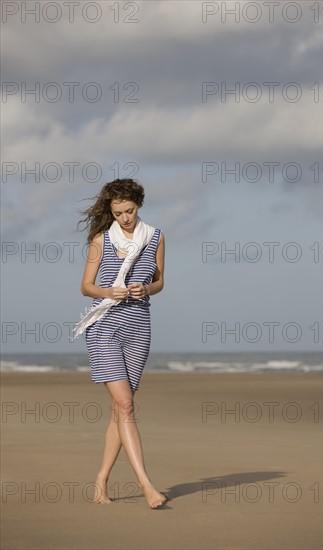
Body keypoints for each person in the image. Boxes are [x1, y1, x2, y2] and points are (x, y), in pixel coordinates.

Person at [76, 178, 170, 509]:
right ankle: (147, 486)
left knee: (121, 409)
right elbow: (86, 286)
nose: (125, 218)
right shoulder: (101, 240)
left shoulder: (155, 236)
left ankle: (100, 482)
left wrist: (148, 289)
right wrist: (107, 292)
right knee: (126, 406)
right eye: (118, 213)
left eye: (129, 211)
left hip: (138, 329)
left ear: (138, 205)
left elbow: (159, 280)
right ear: (111, 212)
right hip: (104, 328)